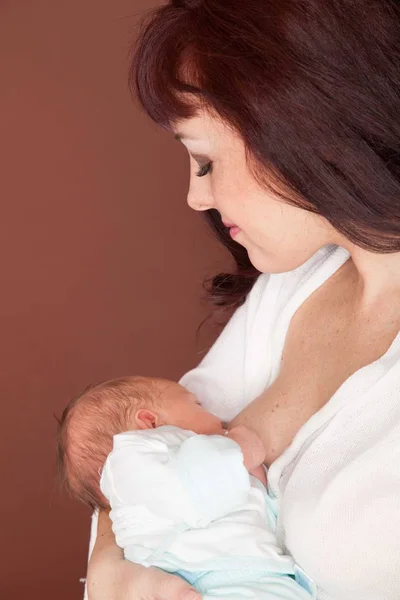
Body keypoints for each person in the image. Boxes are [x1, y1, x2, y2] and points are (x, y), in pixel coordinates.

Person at [86, 1, 400, 599]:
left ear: (308, 125)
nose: (194, 197)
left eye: (205, 159)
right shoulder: (293, 288)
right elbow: (131, 452)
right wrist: (110, 561)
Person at [58, 376, 314, 599]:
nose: (218, 417)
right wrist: (241, 448)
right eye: (197, 404)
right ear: (150, 422)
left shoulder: (152, 481)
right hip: (219, 584)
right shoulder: (132, 463)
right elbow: (202, 480)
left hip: (249, 581)